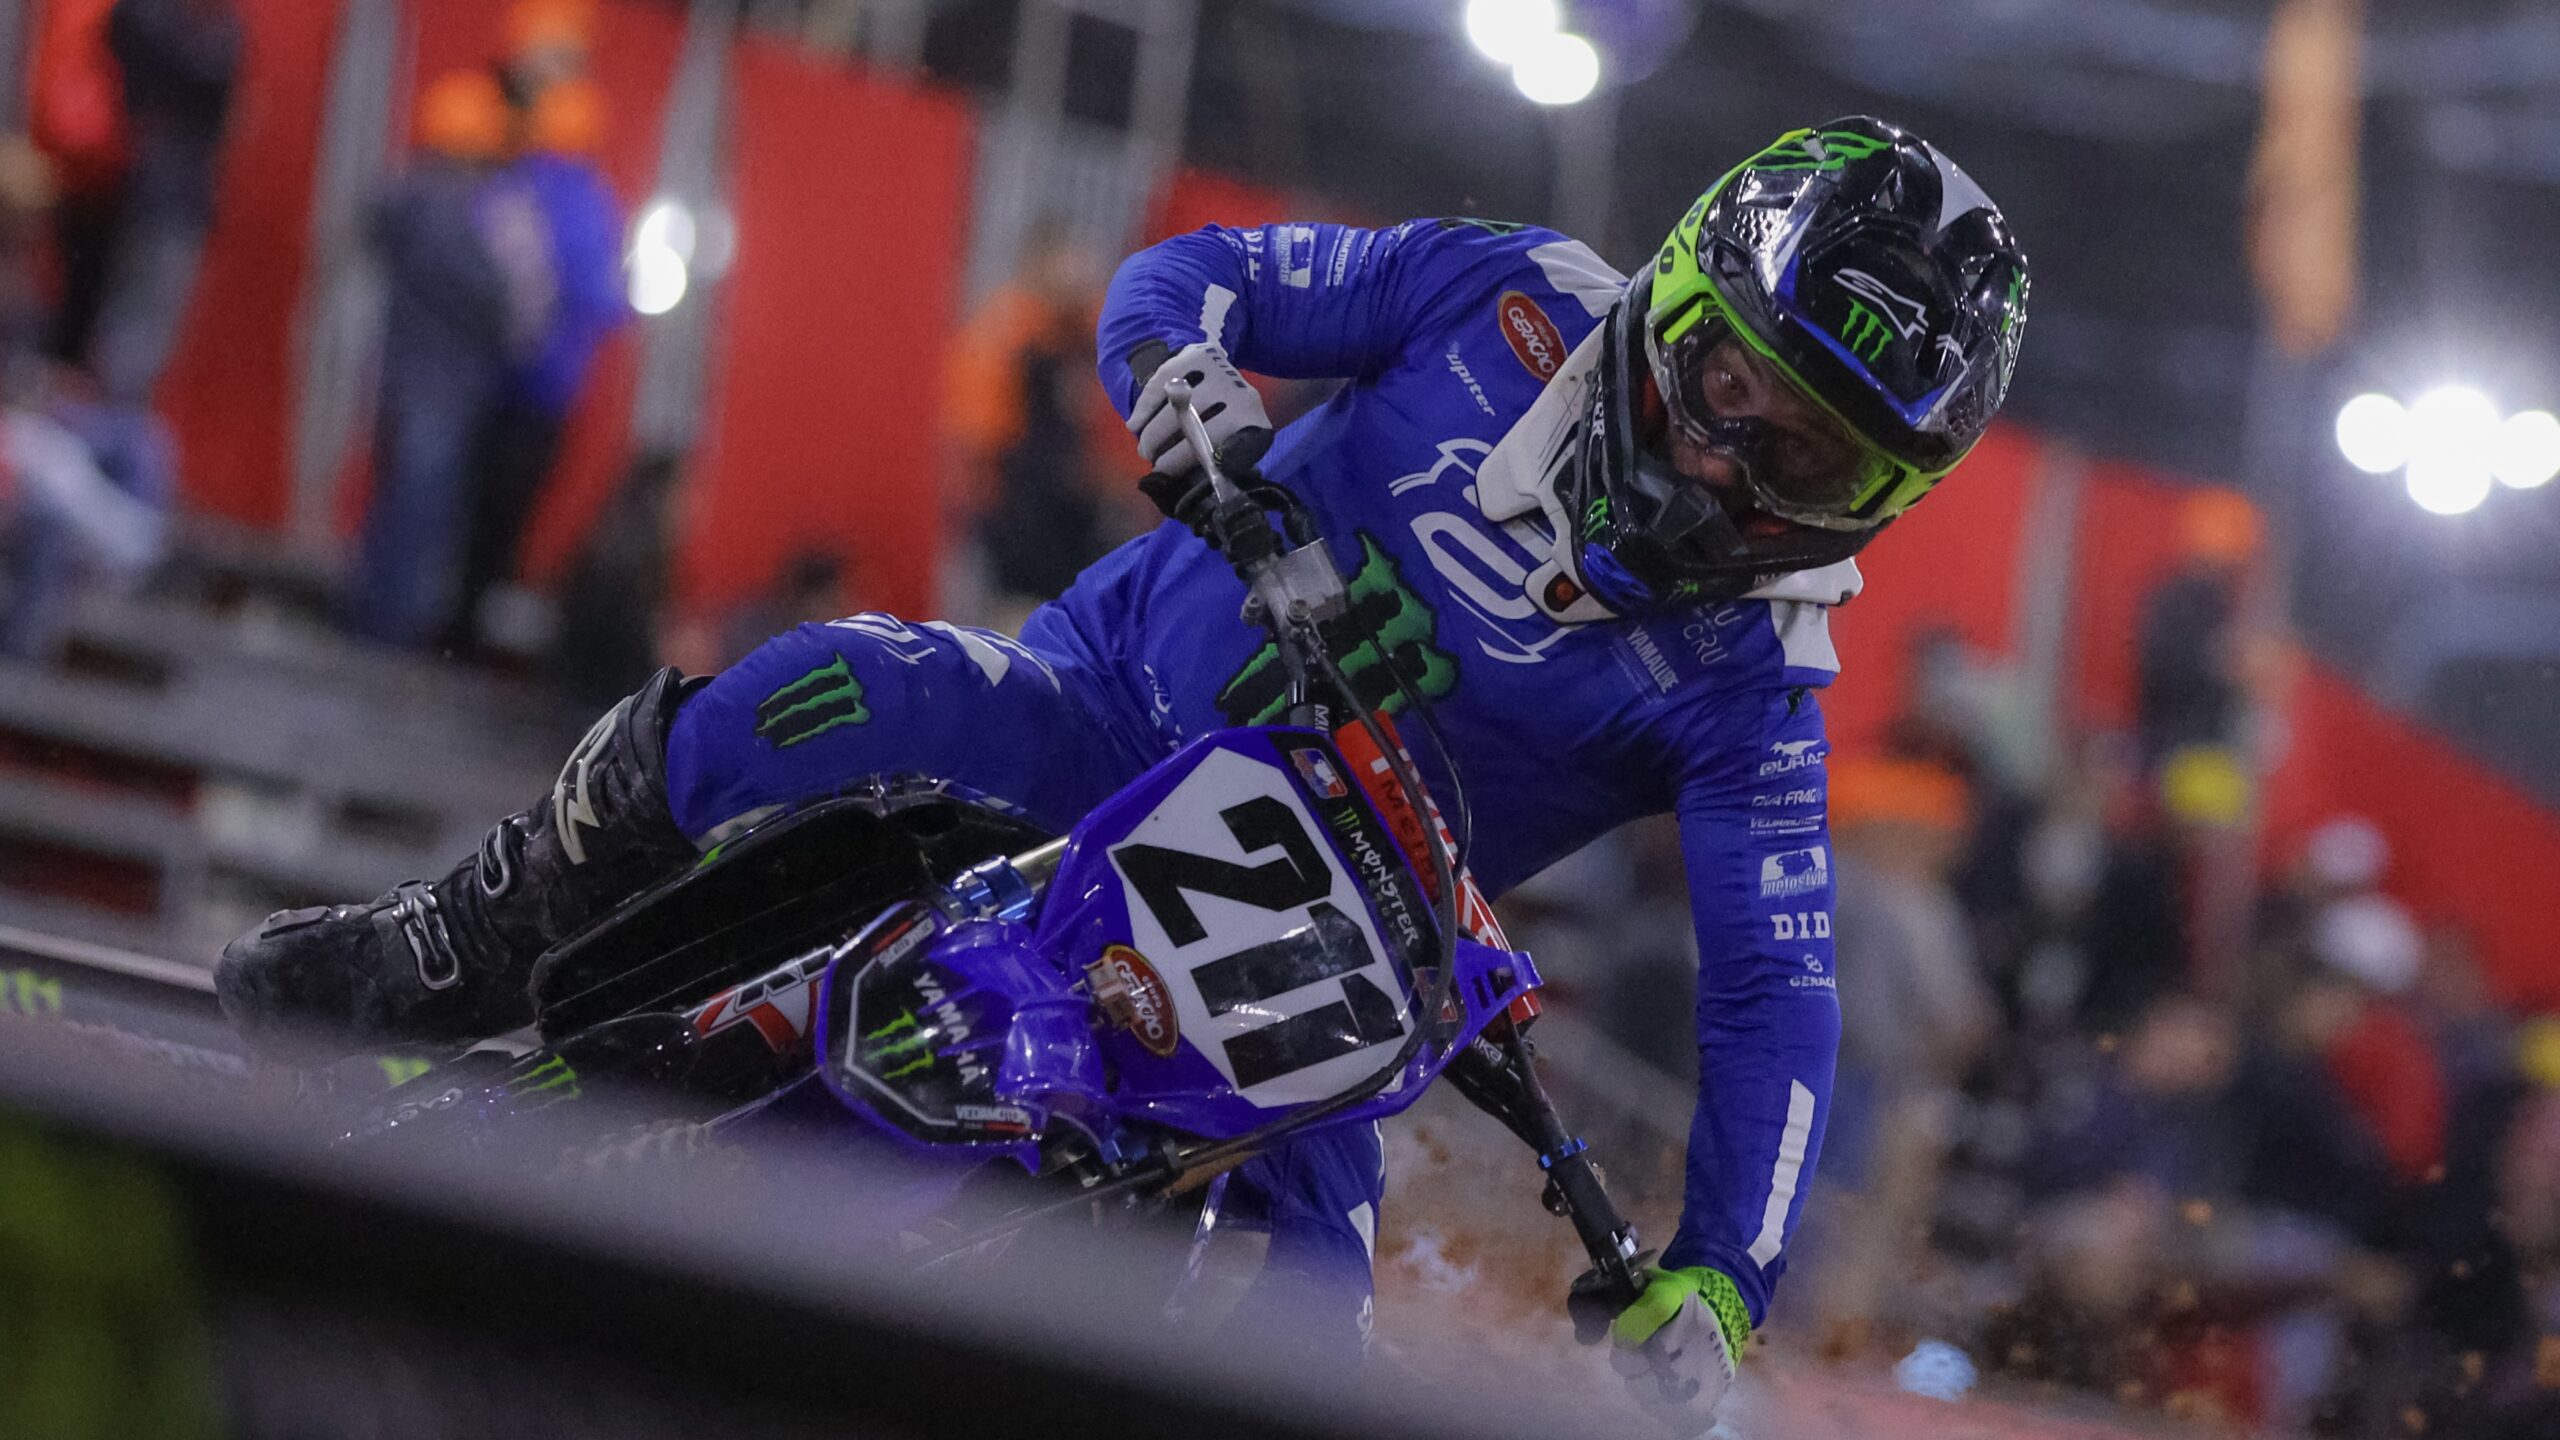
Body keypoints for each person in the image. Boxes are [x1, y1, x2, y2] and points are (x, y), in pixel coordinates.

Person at [217, 117, 2030, 1418]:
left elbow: (1780, 1001)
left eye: (1813, 466)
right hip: (1091, 713)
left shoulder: (1755, 682)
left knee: (1300, 1354)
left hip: (1323, 981)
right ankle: (455, 939)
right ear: (1680, 286)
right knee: (814, 692)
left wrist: (1724, 1281)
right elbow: (1189, 280)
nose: (1731, 472)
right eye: (1735, 391)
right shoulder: (1505, 295)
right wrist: (1180, 386)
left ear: (1884, 507)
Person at [445, 78, 629, 653]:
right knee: (505, 521)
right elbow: (606, 300)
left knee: (465, 508)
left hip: (485, 381)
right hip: (546, 393)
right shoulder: (586, 202)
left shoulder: (507, 186)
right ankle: (468, 632)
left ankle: (447, 621)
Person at [346, 70, 516, 647]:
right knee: (418, 515)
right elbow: (492, 294)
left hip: (402, 377)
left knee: (393, 508)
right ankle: (385, 632)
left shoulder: (406, 193)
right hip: (443, 389)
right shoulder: (460, 206)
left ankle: (368, 615)